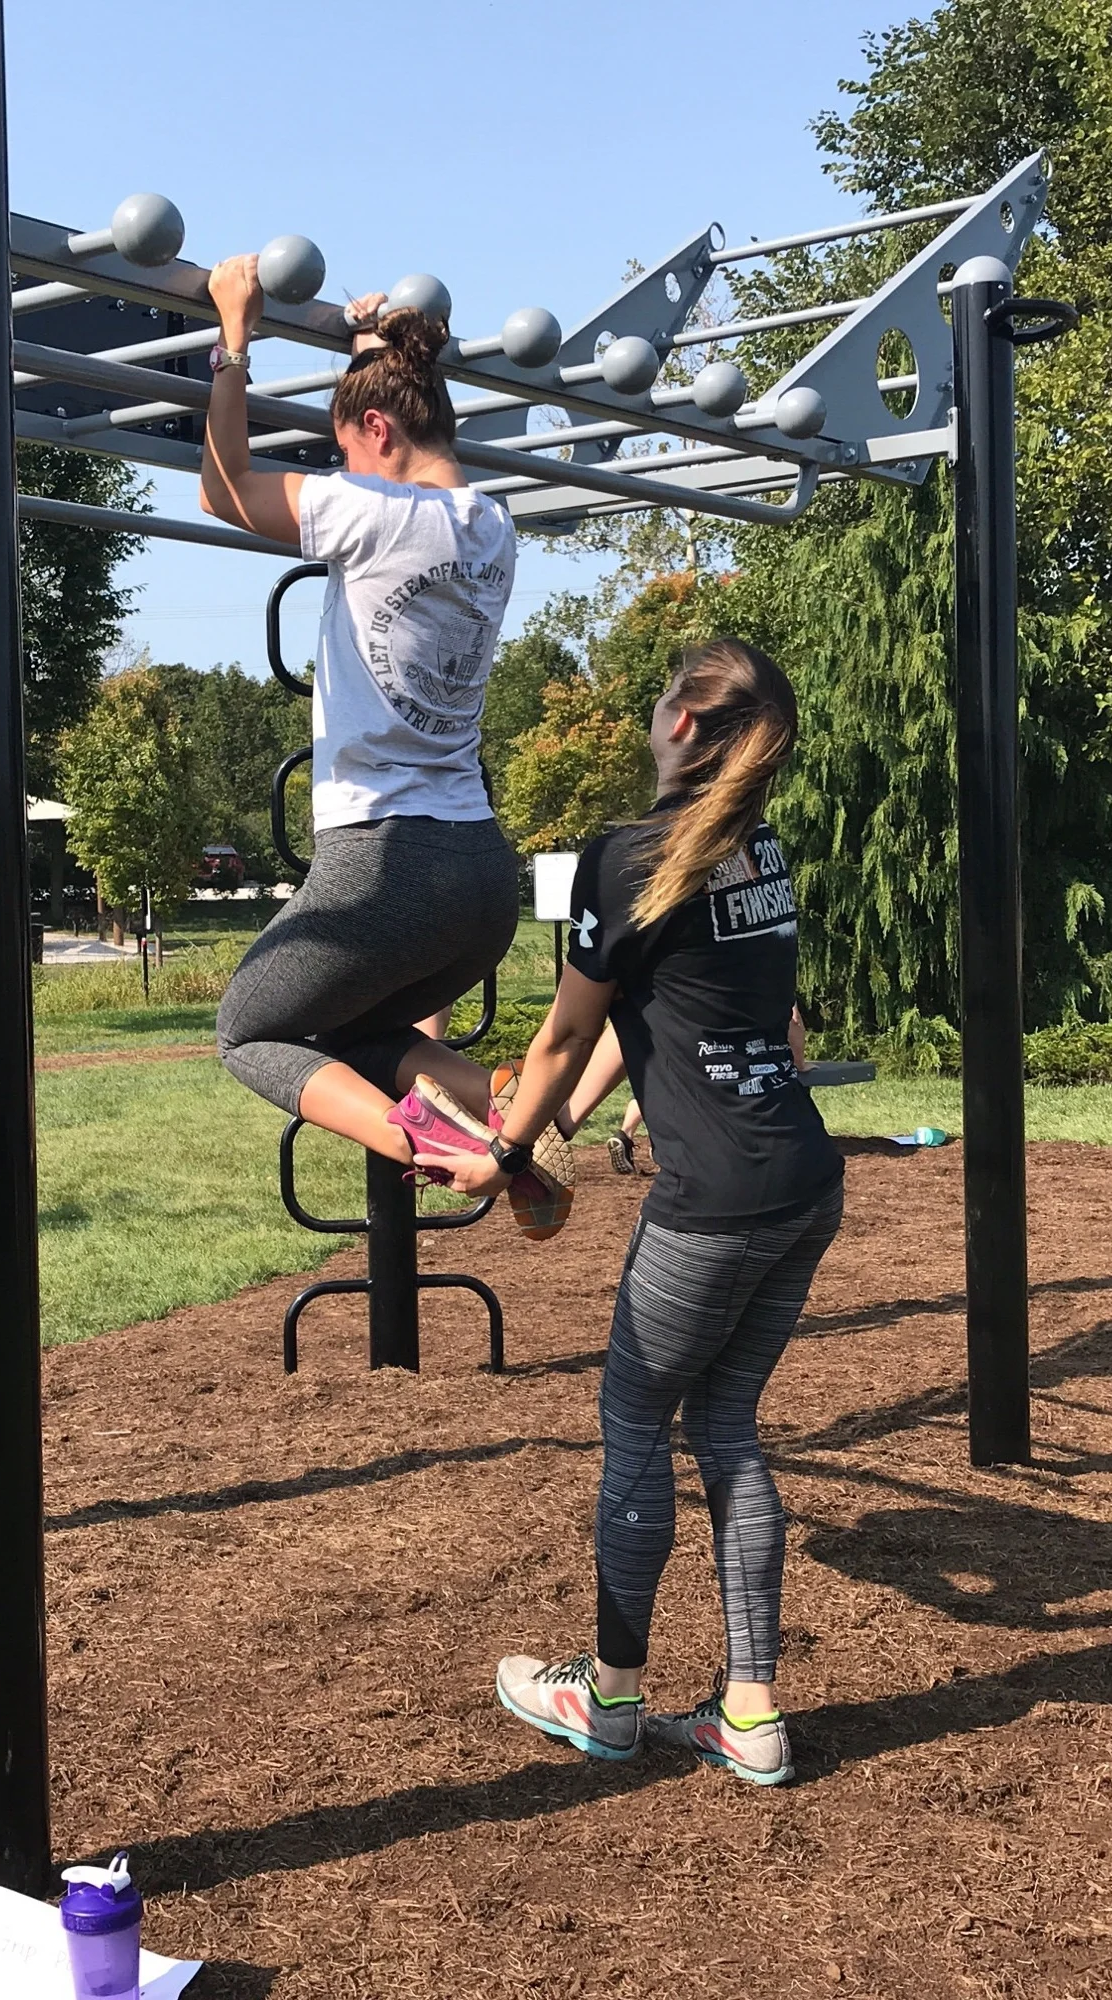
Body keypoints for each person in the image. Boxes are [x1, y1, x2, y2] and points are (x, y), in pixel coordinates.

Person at [420, 639, 844, 1783]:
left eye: (658, 700)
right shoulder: (758, 850)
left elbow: (562, 1035)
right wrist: (556, 1124)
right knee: (728, 1430)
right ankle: (749, 1716)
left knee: (633, 1428)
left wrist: (497, 1152)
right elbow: (653, 1017)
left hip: (709, 1200)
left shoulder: (626, 854)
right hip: (804, 1181)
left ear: (684, 725)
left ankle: (607, 1698)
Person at [200, 256, 570, 1237]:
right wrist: (371, 351)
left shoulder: (370, 511)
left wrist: (234, 336)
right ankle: (493, 1100)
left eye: (351, 450)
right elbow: (391, 439)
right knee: (362, 1032)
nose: (344, 477)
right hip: (479, 876)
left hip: (385, 863)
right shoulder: (493, 526)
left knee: (246, 1030)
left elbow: (224, 487)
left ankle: (442, 1144)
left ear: (377, 433)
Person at [563, 1007, 808, 1174]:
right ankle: (659, 1149)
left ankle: (625, 1133)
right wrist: (800, 1062)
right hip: (732, 1094)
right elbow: (793, 1023)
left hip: (665, 1051)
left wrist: (563, 1124)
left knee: (653, 1093)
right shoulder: (767, 968)